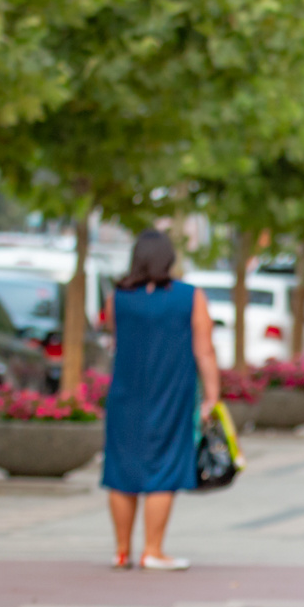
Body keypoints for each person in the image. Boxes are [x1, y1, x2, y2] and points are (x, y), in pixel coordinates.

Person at [102, 229, 219, 572]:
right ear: (169, 258)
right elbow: (205, 349)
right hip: (172, 391)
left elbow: (114, 336)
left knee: (121, 469)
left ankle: (121, 551)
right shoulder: (190, 296)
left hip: (125, 393)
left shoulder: (117, 297)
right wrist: (212, 394)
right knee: (163, 466)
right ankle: (153, 550)